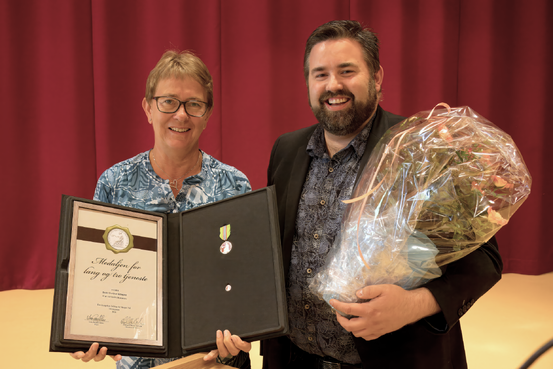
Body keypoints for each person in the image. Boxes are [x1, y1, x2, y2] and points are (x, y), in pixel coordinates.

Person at [262, 20, 503, 368]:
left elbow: (485, 262)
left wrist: (413, 305)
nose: (333, 85)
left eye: (347, 71)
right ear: (308, 82)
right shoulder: (286, 149)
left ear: (377, 77)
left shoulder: (420, 150)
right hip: (295, 359)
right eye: (320, 74)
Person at [70, 50, 252, 368]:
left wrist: (246, 324)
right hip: (138, 360)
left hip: (217, 358)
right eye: (168, 102)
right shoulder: (114, 183)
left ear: (207, 114)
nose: (181, 115)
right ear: (148, 108)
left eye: (194, 104)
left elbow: (247, 278)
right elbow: (94, 275)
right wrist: (86, 331)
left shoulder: (234, 185)